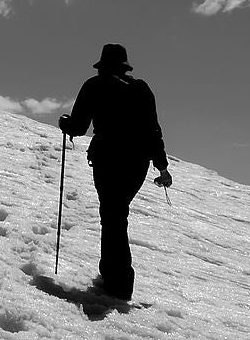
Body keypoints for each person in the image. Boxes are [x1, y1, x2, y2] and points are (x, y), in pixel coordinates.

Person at [59, 43, 172, 301]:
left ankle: (118, 285)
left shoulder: (94, 86)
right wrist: (162, 166)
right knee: (116, 215)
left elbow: (77, 126)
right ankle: (114, 279)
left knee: (113, 217)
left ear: (102, 65)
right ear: (124, 66)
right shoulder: (141, 89)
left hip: (107, 159)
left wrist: (64, 123)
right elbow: (153, 131)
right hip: (137, 163)